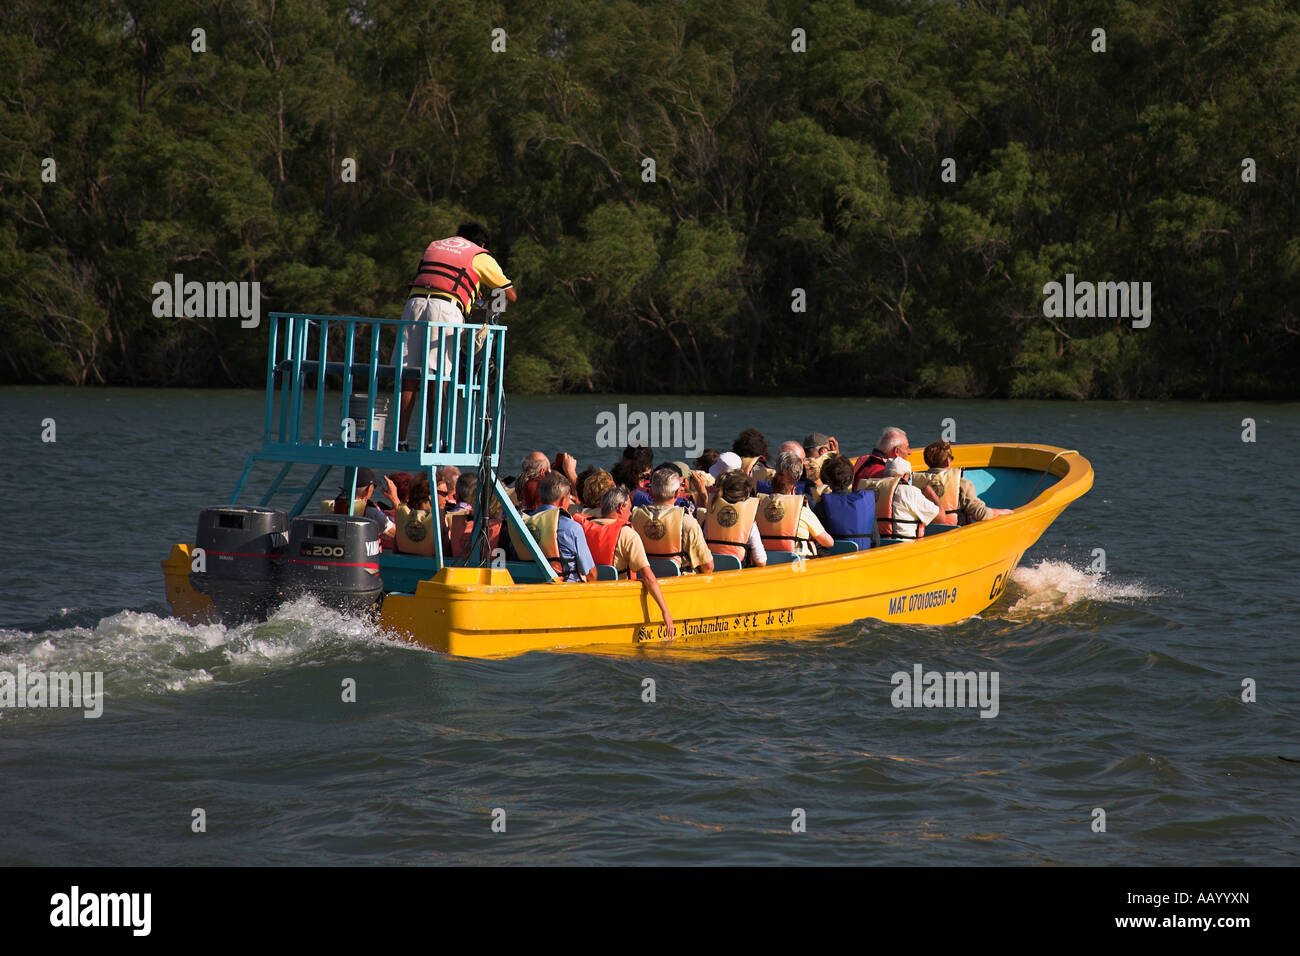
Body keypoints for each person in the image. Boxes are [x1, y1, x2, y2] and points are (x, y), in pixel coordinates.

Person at [396, 222, 517, 449]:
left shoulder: (435, 245)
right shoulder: (480, 254)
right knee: (439, 377)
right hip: (444, 310)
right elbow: (510, 294)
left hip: (413, 306)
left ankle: (399, 440)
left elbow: (437, 278)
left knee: (409, 376)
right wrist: (484, 300)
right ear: (482, 244)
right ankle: (434, 443)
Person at [583, 487, 675, 638]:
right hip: (619, 600)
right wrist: (665, 611)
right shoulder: (628, 534)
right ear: (621, 507)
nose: (631, 513)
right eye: (630, 508)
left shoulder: (584, 528)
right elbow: (648, 578)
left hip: (592, 599)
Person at [506, 472, 596, 581]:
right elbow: (590, 574)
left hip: (529, 585)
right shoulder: (572, 528)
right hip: (565, 589)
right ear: (563, 499)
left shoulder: (520, 524)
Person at [630, 467, 714, 573]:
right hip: (679, 583)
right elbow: (708, 567)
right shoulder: (688, 522)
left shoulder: (633, 517)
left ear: (650, 492)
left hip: (643, 578)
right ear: (677, 493)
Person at [756, 451, 832, 557]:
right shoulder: (802, 510)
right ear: (794, 488)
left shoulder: (758, 506)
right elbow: (829, 542)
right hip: (796, 563)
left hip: (767, 559)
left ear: (771, 485)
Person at [918, 440, 1013, 524]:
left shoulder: (917, 483)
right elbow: (981, 514)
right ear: (948, 461)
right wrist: (1002, 512)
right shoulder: (961, 484)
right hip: (952, 533)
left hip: (927, 533)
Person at [701, 470, 766, 567]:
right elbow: (761, 561)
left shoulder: (708, 518)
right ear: (744, 499)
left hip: (713, 572)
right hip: (737, 577)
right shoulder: (750, 525)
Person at [813, 454, 874, 549]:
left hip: (836, 560)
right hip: (864, 558)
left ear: (828, 481)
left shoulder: (822, 506)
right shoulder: (867, 504)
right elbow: (875, 541)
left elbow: (818, 542)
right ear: (852, 478)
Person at [877, 457, 938, 539]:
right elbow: (936, 515)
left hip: (881, 544)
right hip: (905, 544)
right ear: (905, 475)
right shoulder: (910, 491)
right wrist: (931, 494)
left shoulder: (874, 490)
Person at [334, 467, 397, 548]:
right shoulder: (371, 512)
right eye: (374, 486)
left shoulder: (336, 504)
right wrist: (395, 500)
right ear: (369, 489)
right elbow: (398, 536)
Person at [395, 474, 436, 555]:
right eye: (444, 493)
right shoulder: (438, 519)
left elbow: (395, 549)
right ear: (431, 497)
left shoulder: (402, 514)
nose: (446, 498)